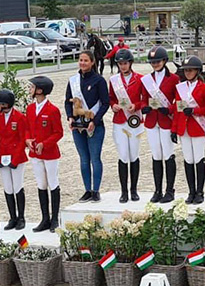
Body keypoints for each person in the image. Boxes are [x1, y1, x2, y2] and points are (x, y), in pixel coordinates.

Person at [66, 51, 110, 202]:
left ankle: (96, 190)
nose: (83, 63)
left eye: (86, 60)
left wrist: (95, 121)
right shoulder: (73, 81)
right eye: (81, 60)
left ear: (92, 62)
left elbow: (105, 103)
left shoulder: (99, 80)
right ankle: (87, 190)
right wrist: (70, 117)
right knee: (84, 159)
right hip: (78, 126)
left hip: (94, 125)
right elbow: (67, 101)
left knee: (95, 158)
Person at [172, 56, 205, 204]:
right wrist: (174, 129)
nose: (188, 73)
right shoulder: (180, 88)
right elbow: (177, 109)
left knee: (198, 159)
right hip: (183, 128)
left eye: (191, 70)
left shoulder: (204, 88)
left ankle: (200, 192)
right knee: (188, 160)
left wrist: (195, 111)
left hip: (198, 127)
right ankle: (191, 191)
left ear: (197, 71)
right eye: (186, 71)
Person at [140, 45, 179, 203]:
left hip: (166, 120)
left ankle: (170, 190)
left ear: (164, 61)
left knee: (168, 154)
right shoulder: (147, 80)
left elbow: (179, 101)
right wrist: (144, 107)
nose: (155, 64)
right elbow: (143, 99)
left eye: (157, 61)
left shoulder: (174, 79)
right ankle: (157, 190)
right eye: (152, 62)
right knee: (156, 155)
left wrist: (169, 109)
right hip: (151, 121)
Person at [26, 76, 64, 232]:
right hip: (35, 153)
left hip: (49, 153)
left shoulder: (52, 110)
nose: (30, 90)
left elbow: (58, 132)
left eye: (32, 87)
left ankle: (55, 218)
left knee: (52, 183)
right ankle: (45, 218)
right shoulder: (30, 109)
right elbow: (27, 128)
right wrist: (27, 139)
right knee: (41, 184)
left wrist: (45, 144)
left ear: (40, 90)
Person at [109, 49, 146, 203]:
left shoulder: (140, 79)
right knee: (123, 155)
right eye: (120, 64)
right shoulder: (114, 80)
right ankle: (124, 191)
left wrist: (136, 106)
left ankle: (134, 189)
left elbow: (145, 100)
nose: (123, 66)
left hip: (134, 120)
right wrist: (113, 105)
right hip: (120, 120)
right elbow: (111, 98)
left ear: (130, 63)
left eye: (125, 63)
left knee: (134, 155)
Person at [0, 89, 28, 230]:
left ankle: (21, 217)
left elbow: (22, 140)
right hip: (3, 156)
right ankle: (12, 217)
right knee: (7, 187)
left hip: (16, 157)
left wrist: (16, 159)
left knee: (17, 186)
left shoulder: (19, 117)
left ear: (5, 104)